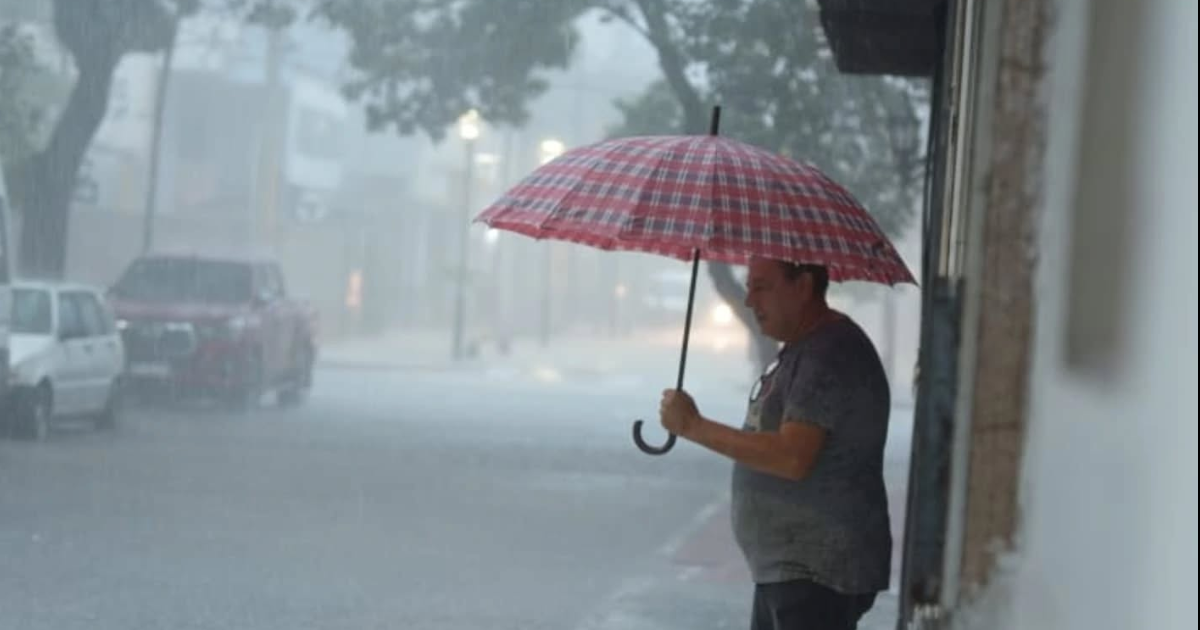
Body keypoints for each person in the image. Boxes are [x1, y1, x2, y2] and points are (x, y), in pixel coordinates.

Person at [659, 257, 892, 630]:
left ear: (802, 286)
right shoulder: (805, 348)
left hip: (815, 573)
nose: (750, 300)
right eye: (749, 286)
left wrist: (694, 426)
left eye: (762, 286)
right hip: (792, 571)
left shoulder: (828, 354)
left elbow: (792, 457)